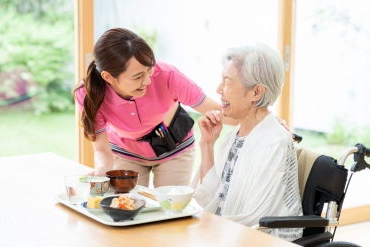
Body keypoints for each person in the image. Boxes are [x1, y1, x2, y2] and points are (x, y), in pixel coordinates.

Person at [72, 27, 290, 189]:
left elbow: (223, 113)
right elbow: (101, 148)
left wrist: (265, 118)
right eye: (138, 76)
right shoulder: (89, 94)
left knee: (169, 215)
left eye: (149, 70)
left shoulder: (167, 76)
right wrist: (102, 168)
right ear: (109, 77)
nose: (148, 80)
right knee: (128, 208)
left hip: (174, 149)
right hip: (126, 152)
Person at [190, 44, 303, 241]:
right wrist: (207, 145)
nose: (218, 89)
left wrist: (205, 230)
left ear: (256, 92)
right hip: (229, 234)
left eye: (227, 81)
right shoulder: (233, 136)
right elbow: (211, 199)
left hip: (266, 240)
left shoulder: (274, 142)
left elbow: (256, 219)